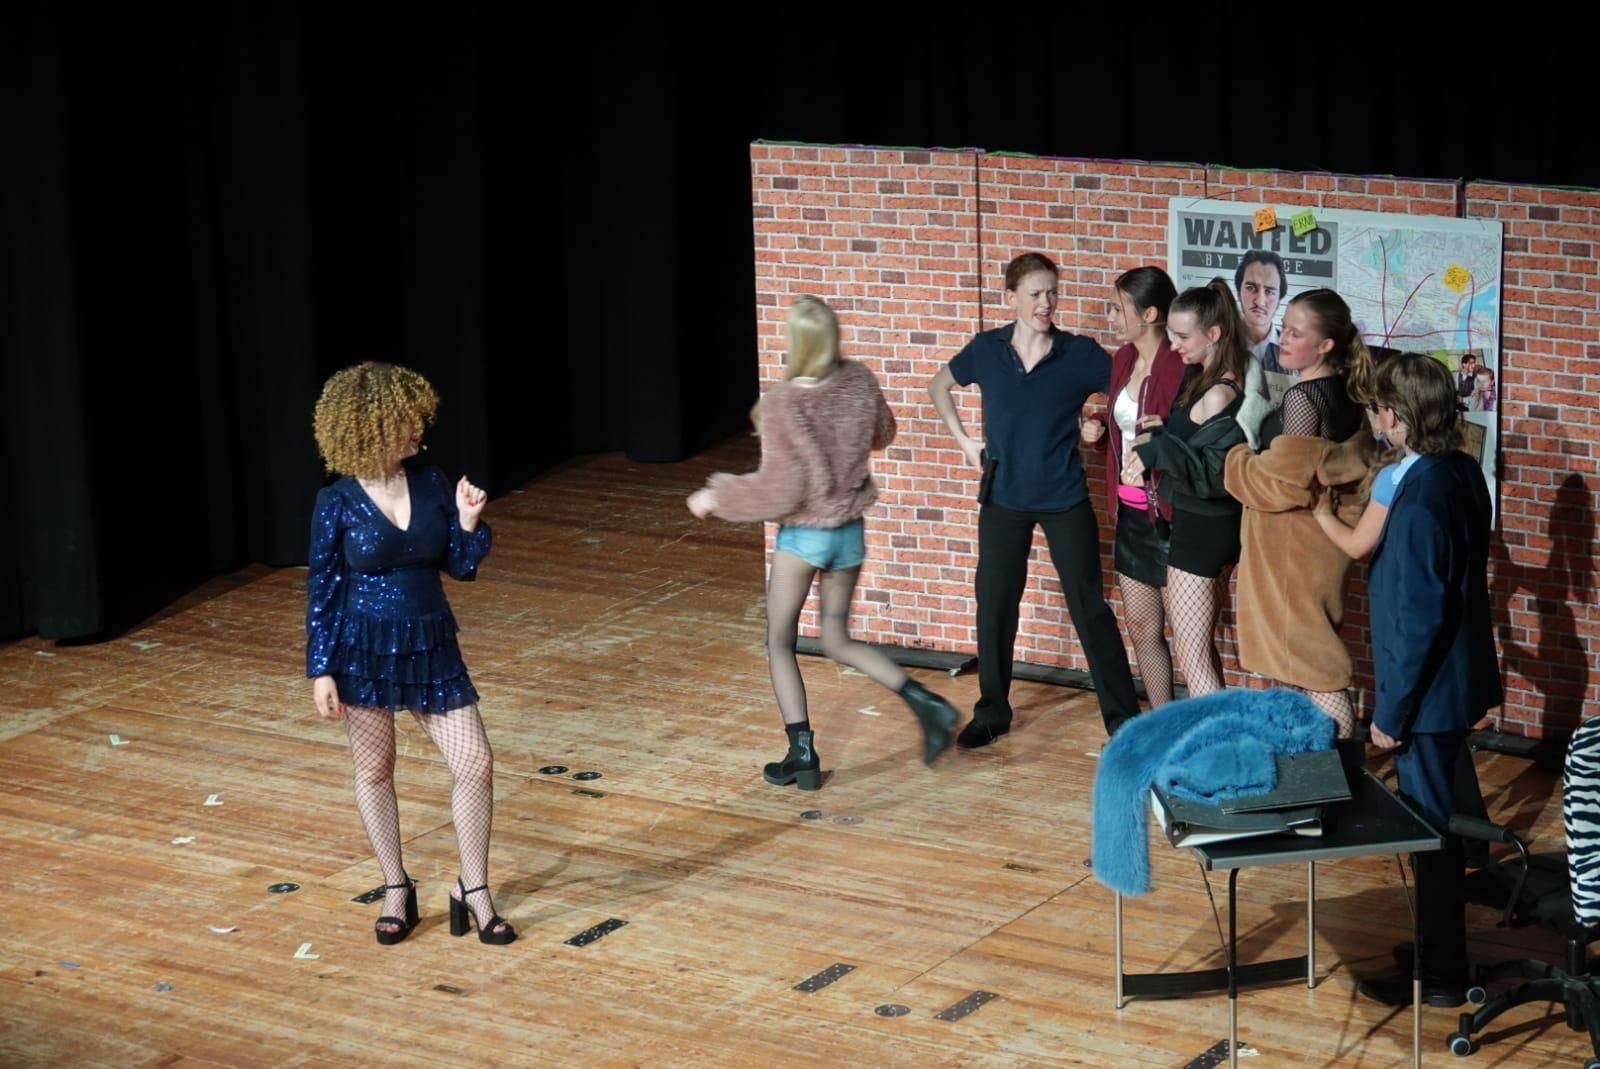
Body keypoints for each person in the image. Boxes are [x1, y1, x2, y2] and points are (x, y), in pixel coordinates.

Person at [688, 296, 959, 789]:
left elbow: (780, 492)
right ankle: (925, 703)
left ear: (797, 341)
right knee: (835, 638)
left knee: (779, 640)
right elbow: (885, 433)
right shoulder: (859, 381)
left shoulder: (785, 403)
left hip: (806, 536)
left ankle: (802, 755)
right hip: (849, 532)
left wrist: (716, 496)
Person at [307, 361, 514, 946]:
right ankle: (395, 886)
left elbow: (460, 566)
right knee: (375, 769)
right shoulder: (337, 501)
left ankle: (473, 888)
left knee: (475, 763)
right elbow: (323, 589)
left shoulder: (429, 481)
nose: (419, 430)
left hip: (429, 644)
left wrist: (468, 523)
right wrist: (321, 668)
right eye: (406, 421)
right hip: (362, 650)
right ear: (372, 428)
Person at [928, 252, 1140, 742]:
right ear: (1011, 298)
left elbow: (1130, 395)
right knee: (995, 604)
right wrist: (965, 442)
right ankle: (992, 712)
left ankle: (1123, 720)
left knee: (1089, 607)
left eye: (1052, 293)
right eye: (1036, 294)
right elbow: (939, 386)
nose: (1047, 303)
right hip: (1003, 497)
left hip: (1063, 495)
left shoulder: (1079, 353)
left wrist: (1097, 423)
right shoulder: (986, 350)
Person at [1354, 353, 1502, 1008]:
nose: (1373, 418)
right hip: (1457, 682)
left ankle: (1441, 974)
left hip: (1427, 699)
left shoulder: (1415, 503)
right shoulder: (1461, 469)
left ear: (1396, 415)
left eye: (1377, 408)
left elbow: (1417, 620)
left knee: (1431, 836)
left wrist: (1391, 713)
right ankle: (1438, 949)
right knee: (1444, 828)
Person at [1223, 288, 1377, 737]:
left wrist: (1236, 460)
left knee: (1313, 669)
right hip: (1315, 548)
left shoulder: (1304, 397)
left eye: (1296, 333)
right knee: (1303, 663)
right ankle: (1313, 767)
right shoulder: (1346, 392)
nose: (1283, 339)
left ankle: (1342, 767)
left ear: (1325, 345)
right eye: (1284, 329)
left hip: (1294, 552)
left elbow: (1283, 483)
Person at [1124, 280, 1253, 697]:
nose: (1174, 345)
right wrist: (1162, 431)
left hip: (1203, 529)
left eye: (1182, 336)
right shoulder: (1202, 376)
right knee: (1199, 654)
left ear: (1213, 334)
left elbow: (1215, 476)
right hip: (1199, 524)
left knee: (1193, 657)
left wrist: (1156, 449)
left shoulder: (1219, 393)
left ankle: (1218, 740)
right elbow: (1193, 445)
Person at [1080, 267, 1184, 707]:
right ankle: (1162, 723)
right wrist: (1098, 425)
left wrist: (1159, 445)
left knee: (1190, 639)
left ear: (1151, 313)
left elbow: (1186, 432)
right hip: (1129, 514)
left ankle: (1205, 731)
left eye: (1117, 308)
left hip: (1171, 518)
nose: (1110, 317)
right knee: (1142, 628)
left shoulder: (1178, 363)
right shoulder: (1123, 358)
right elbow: (1123, 417)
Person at [1235, 249, 1287, 374]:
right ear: (1238, 293)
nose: (1259, 301)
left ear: (1279, 300)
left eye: (1269, 291)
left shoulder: (1295, 350)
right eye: (1251, 288)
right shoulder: (1218, 344)